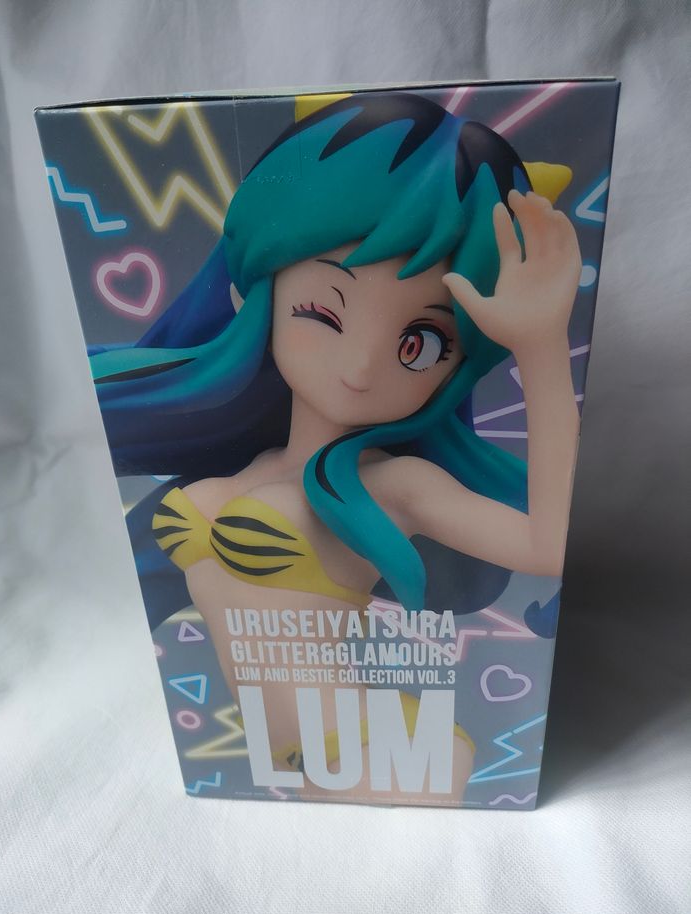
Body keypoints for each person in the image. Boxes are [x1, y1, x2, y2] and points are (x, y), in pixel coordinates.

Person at [91, 92, 581, 803]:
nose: (359, 367)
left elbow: (548, 546)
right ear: (256, 293)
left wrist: (540, 345)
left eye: (421, 343)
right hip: (280, 762)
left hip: (380, 749)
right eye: (324, 310)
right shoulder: (243, 466)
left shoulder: (395, 484)